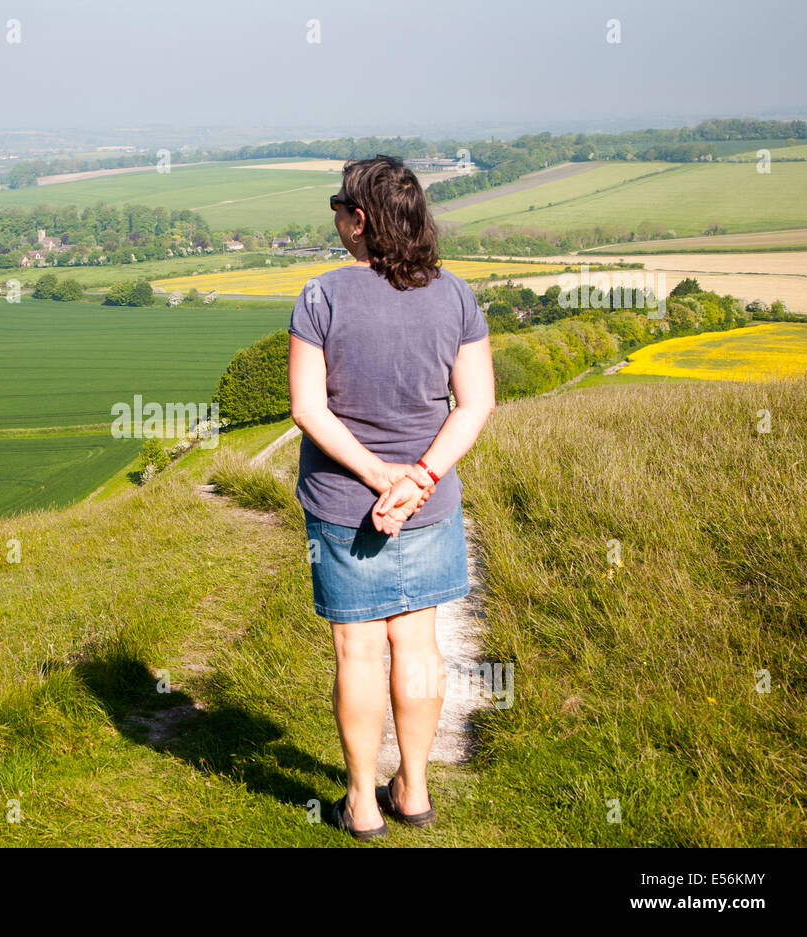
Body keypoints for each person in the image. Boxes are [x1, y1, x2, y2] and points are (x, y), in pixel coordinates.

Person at [287, 155, 496, 841]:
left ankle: (362, 801)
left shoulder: (320, 297)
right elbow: (476, 404)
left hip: (345, 506)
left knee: (357, 653)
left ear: (362, 219)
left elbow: (308, 410)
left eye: (341, 211)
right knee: (418, 646)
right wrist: (419, 478)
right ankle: (413, 787)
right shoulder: (456, 295)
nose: (338, 223)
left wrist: (381, 478)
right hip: (429, 504)